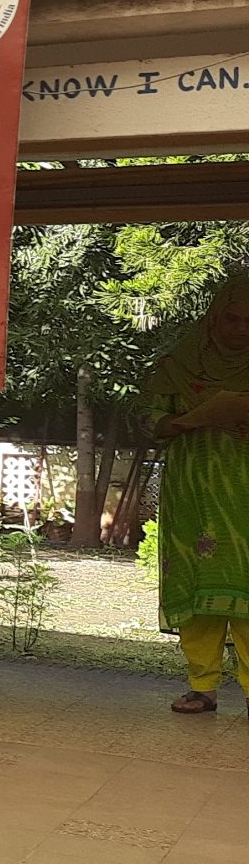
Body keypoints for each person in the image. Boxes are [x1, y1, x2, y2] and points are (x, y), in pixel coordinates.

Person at [150, 275, 249, 714]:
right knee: (197, 587)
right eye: (232, 319)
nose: (240, 328)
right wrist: (182, 422)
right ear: (214, 319)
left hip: (244, 494)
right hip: (192, 490)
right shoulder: (180, 365)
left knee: (245, 589)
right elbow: (147, 415)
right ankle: (202, 686)